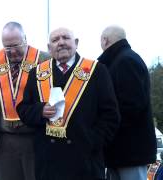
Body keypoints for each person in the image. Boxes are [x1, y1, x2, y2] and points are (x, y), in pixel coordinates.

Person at [16, 27, 120, 180]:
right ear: (49, 48)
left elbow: (111, 115)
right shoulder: (36, 74)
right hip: (48, 163)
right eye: (55, 40)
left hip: (85, 163)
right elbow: (23, 109)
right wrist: (40, 111)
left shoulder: (97, 71)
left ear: (76, 43)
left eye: (65, 38)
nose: (61, 43)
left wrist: (92, 141)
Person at [0, 21, 50, 180]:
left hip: (35, 138)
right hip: (3, 140)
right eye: (7, 47)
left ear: (25, 39)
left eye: (16, 45)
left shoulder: (44, 59)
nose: (12, 51)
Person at [98, 25, 157, 180]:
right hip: (121, 150)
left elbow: (132, 105)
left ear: (105, 40)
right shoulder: (121, 60)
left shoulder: (126, 61)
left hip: (130, 150)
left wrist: (106, 125)